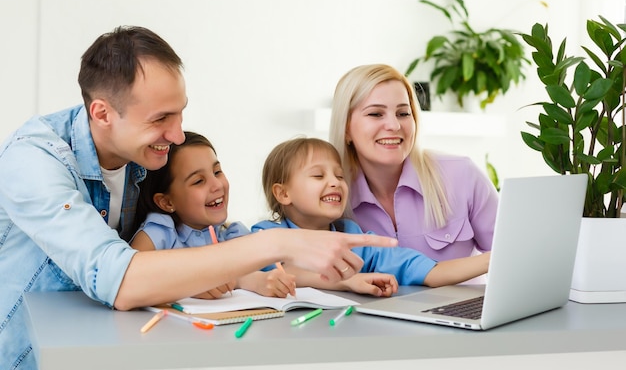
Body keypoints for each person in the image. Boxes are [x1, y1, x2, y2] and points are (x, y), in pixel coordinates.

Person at [0, 27, 397, 370]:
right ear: (102, 114)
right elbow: (118, 278)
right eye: (160, 120)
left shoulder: (137, 154)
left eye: (179, 115)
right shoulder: (34, 159)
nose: (176, 136)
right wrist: (277, 242)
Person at [251, 137, 490, 296]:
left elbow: (425, 270)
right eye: (318, 176)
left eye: (339, 176)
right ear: (283, 193)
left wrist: (494, 259)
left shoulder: (354, 237)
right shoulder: (263, 236)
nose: (334, 182)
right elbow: (280, 272)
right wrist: (345, 281)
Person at [329, 63, 498, 261]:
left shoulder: (461, 174)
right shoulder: (331, 196)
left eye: (403, 113)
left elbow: (515, 255)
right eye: (375, 114)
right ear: (346, 128)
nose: (394, 125)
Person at [131, 130, 296, 298]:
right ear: (167, 202)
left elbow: (251, 275)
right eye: (198, 181)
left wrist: (265, 280)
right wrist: (188, 284)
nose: (217, 185)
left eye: (217, 172)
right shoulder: (160, 232)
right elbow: (128, 278)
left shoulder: (234, 237)